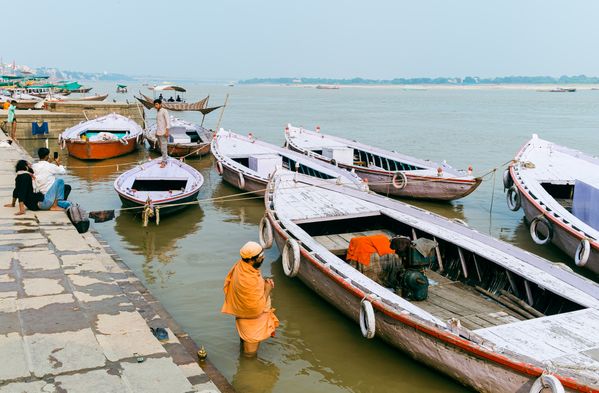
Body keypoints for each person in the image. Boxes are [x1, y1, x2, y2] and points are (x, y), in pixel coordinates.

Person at [221, 241, 279, 357]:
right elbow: (256, 309)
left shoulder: (241, 266)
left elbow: (251, 293)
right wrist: (267, 289)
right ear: (252, 260)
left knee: (243, 348)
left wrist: (263, 283)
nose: (264, 258)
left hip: (242, 316)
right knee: (250, 356)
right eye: (261, 257)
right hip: (251, 323)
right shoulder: (249, 280)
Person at [154, 99, 170, 168]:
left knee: (164, 147)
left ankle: (164, 162)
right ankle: (163, 159)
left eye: (157, 104)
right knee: (160, 147)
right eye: (155, 105)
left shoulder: (164, 111)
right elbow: (158, 123)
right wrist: (156, 132)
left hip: (163, 132)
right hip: (159, 132)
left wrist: (167, 131)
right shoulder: (158, 112)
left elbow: (168, 122)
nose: (155, 106)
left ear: (160, 104)